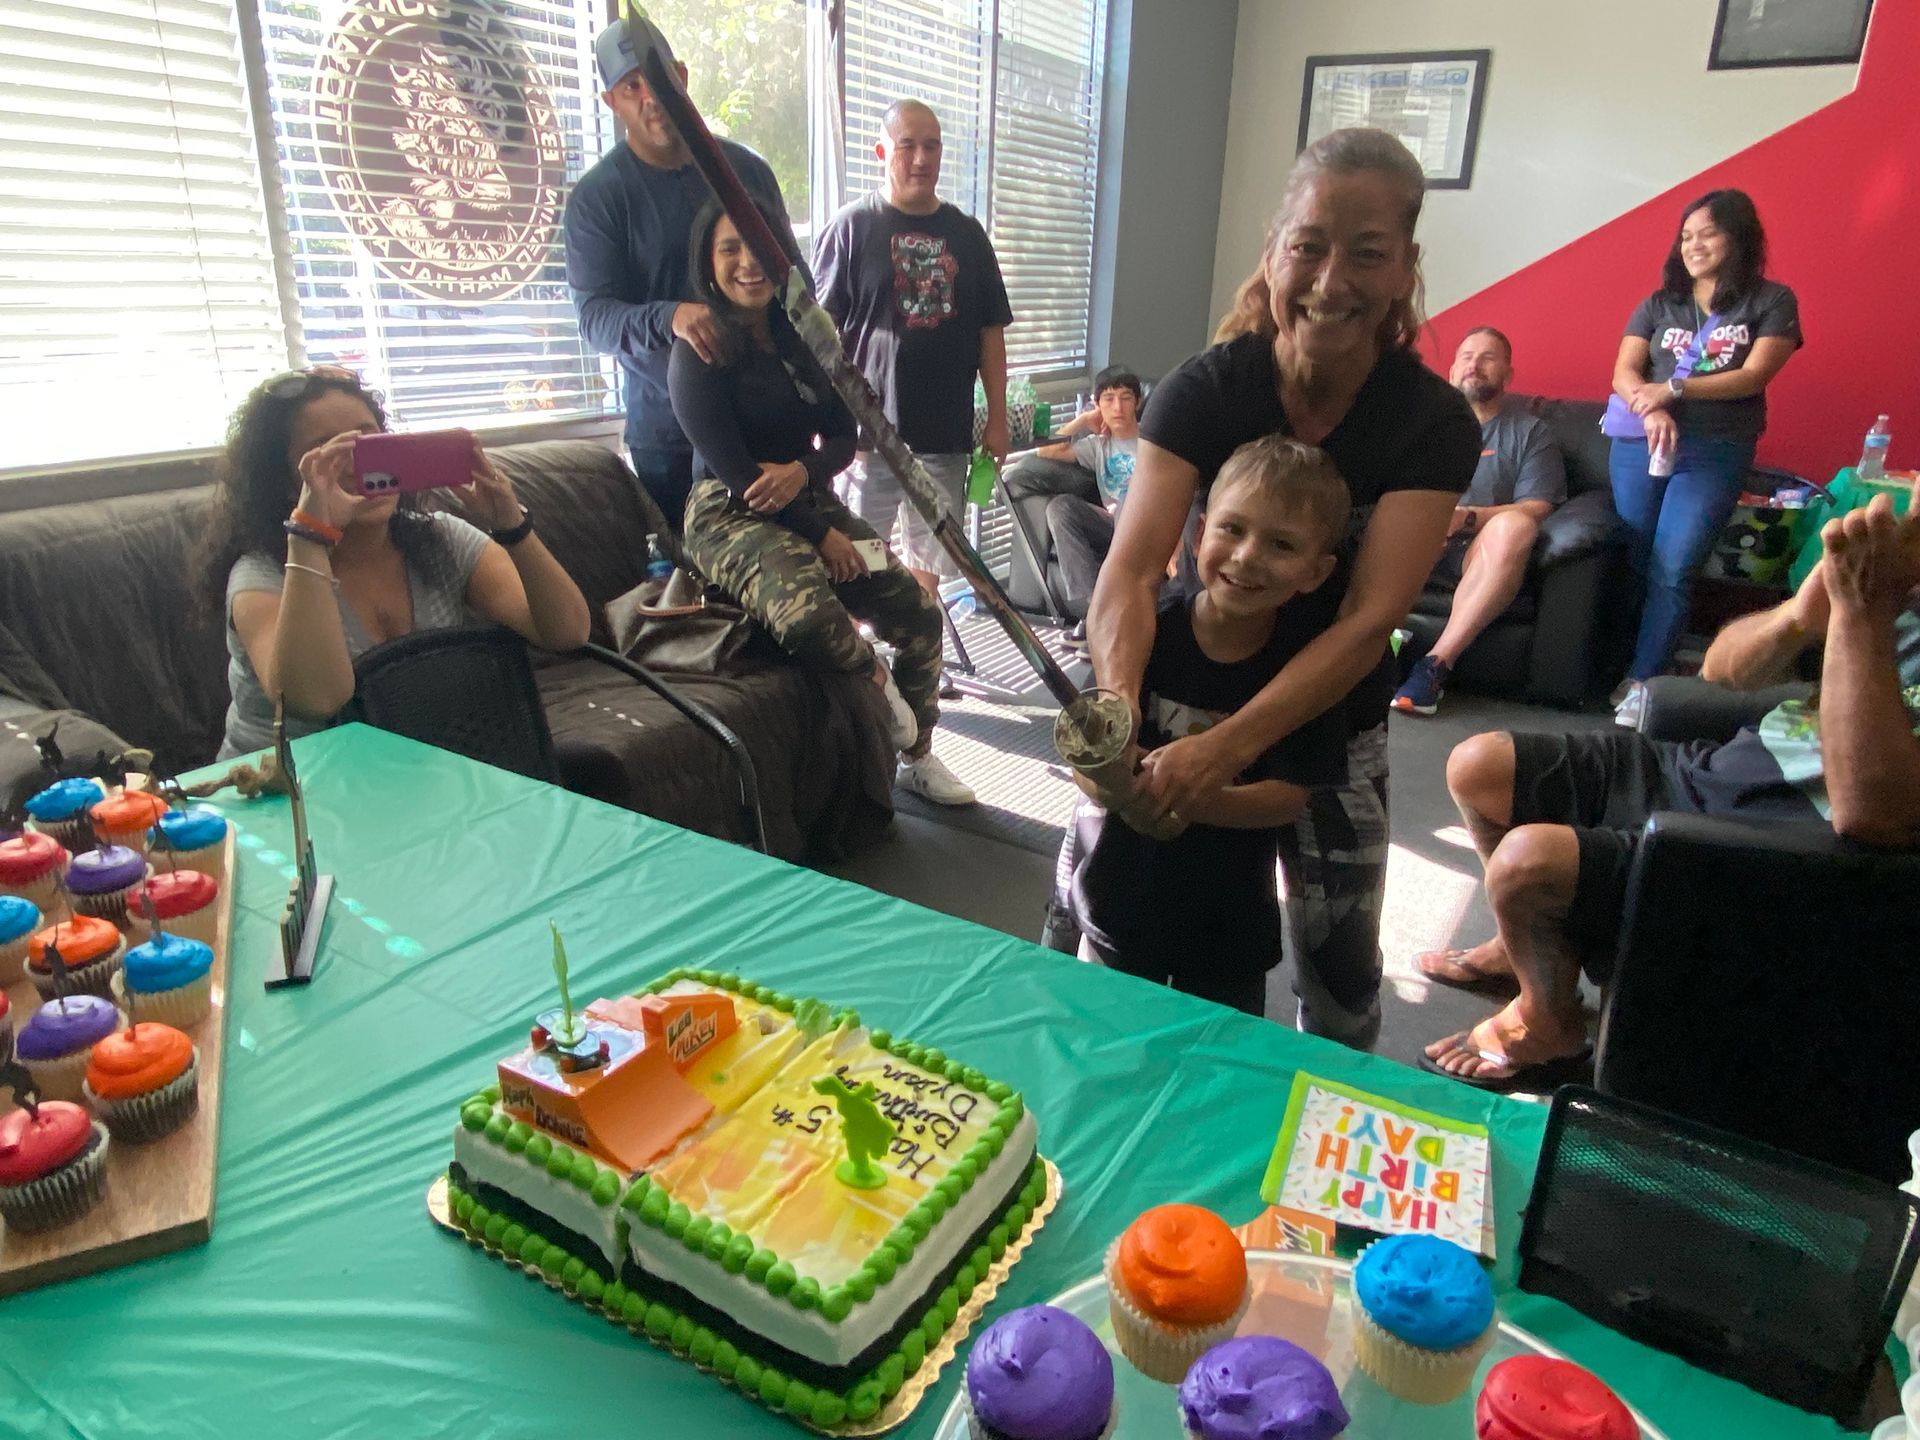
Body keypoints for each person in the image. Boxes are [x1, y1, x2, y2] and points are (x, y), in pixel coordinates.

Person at [1086, 127, 1482, 1045]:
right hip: (1172, 693)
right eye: (1308, 245)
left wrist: (1226, 751)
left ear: (1405, 269)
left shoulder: (1431, 423)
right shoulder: (1202, 391)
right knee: (1090, 910)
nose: (1331, 279)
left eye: (1368, 252)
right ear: (1274, 251)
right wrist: (1115, 716)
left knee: (1339, 971)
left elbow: (1370, 617)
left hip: (1331, 722)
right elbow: (1135, 568)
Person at [1420, 481, 1920, 1090]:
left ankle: (1546, 1022)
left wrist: (1861, 615)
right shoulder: (1900, 589)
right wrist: (1804, 614)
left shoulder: (1879, 601)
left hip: (1787, 837)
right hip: (1724, 768)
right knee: (1478, 766)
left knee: (1526, 865)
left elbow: (1876, 814)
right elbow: (1723, 671)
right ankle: (1519, 945)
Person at [669, 200, 975, 806]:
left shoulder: (806, 336)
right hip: (727, 510)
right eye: (729, 249)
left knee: (916, 609)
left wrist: (804, 470)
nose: (747, 263)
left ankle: (918, 756)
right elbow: (739, 475)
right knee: (809, 614)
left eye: (757, 247)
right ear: (709, 261)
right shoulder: (698, 350)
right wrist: (819, 534)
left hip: (807, 497)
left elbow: (844, 437)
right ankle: (873, 679)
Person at [1068, 437, 1351, 1015]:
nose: (1247, 557)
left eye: (1281, 544)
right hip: (1119, 906)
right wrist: (1114, 783)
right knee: (1099, 1053)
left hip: (1228, 933)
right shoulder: (1148, 634)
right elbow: (1086, 766)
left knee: (1214, 1080)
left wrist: (1190, 800)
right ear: (1199, 534)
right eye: (1232, 530)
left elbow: (1287, 799)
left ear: (1315, 573)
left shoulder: (1307, 674)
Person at [200, 368, 591, 760]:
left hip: (401, 775)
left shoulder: (442, 541)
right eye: (329, 451)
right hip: (282, 792)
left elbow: (567, 632)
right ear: (288, 480)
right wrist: (311, 535)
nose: (356, 464)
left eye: (368, 440)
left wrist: (512, 526)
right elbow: (318, 699)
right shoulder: (262, 576)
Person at [563, 21, 800, 532]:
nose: (651, 97)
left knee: (795, 576)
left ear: (683, 77)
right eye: (632, 86)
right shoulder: (598, 199)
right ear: (612, 102)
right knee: (697, 595)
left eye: (659, 77)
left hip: (770, 424)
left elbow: (795, 283)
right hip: (669, 438)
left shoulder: (747, 172)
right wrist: (670, 316)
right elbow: (594, 318)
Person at [813, 100, 1014, 622]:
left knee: (930, 561)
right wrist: (824, 426)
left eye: (932, 146)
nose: (921, 157)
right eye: (908, 146)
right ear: (883, 151)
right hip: (867, 439)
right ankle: (864, 668)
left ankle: (919, 655)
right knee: (861, 555)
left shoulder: (968, 237)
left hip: (943, 437)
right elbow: (817, 336)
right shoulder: (852, 228)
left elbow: (991, 334)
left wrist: (996, 418)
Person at [1608, 188, 1803, 700]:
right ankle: (1606, 662)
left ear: (1737, 238)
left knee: (1673, 564)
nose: (1693, 245)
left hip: (1715, 449)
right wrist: (1650, 407)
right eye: (1686, 236)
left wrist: (1673, 389)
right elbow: (1624, 373)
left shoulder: (1771, 301)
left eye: (1707, 234)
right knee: (1632, 554)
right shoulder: (1659, 304)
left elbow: (1754, 375)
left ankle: (1643, 682)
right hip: (1639, 446)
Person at [1391, 327, 1566, 715]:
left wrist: (1466, 518)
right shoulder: (1421, 426)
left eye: (1488, 358)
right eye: (1467, 356)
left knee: (1517, 525)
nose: (1475, 364)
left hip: (1479, 549)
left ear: (1508, 374)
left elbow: (1538, 506)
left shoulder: (1530, 432)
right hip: (1416, 538)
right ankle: (1382, 648)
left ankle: (1434, 666)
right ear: (1452, 371)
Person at [1033, 365, 1144, 647]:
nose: (1117, 407)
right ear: (1098, 405)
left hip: (1146, 526)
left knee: (1131, 499)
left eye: (1126, 397)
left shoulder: (1153, 440)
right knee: (1060, 507)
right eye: (1108, 399)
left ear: (1138, 402)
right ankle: (1096, 613)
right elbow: (1046, 450)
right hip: (1112, 526)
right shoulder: (1097, 446)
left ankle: (1098, 624)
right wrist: (1084, 419)